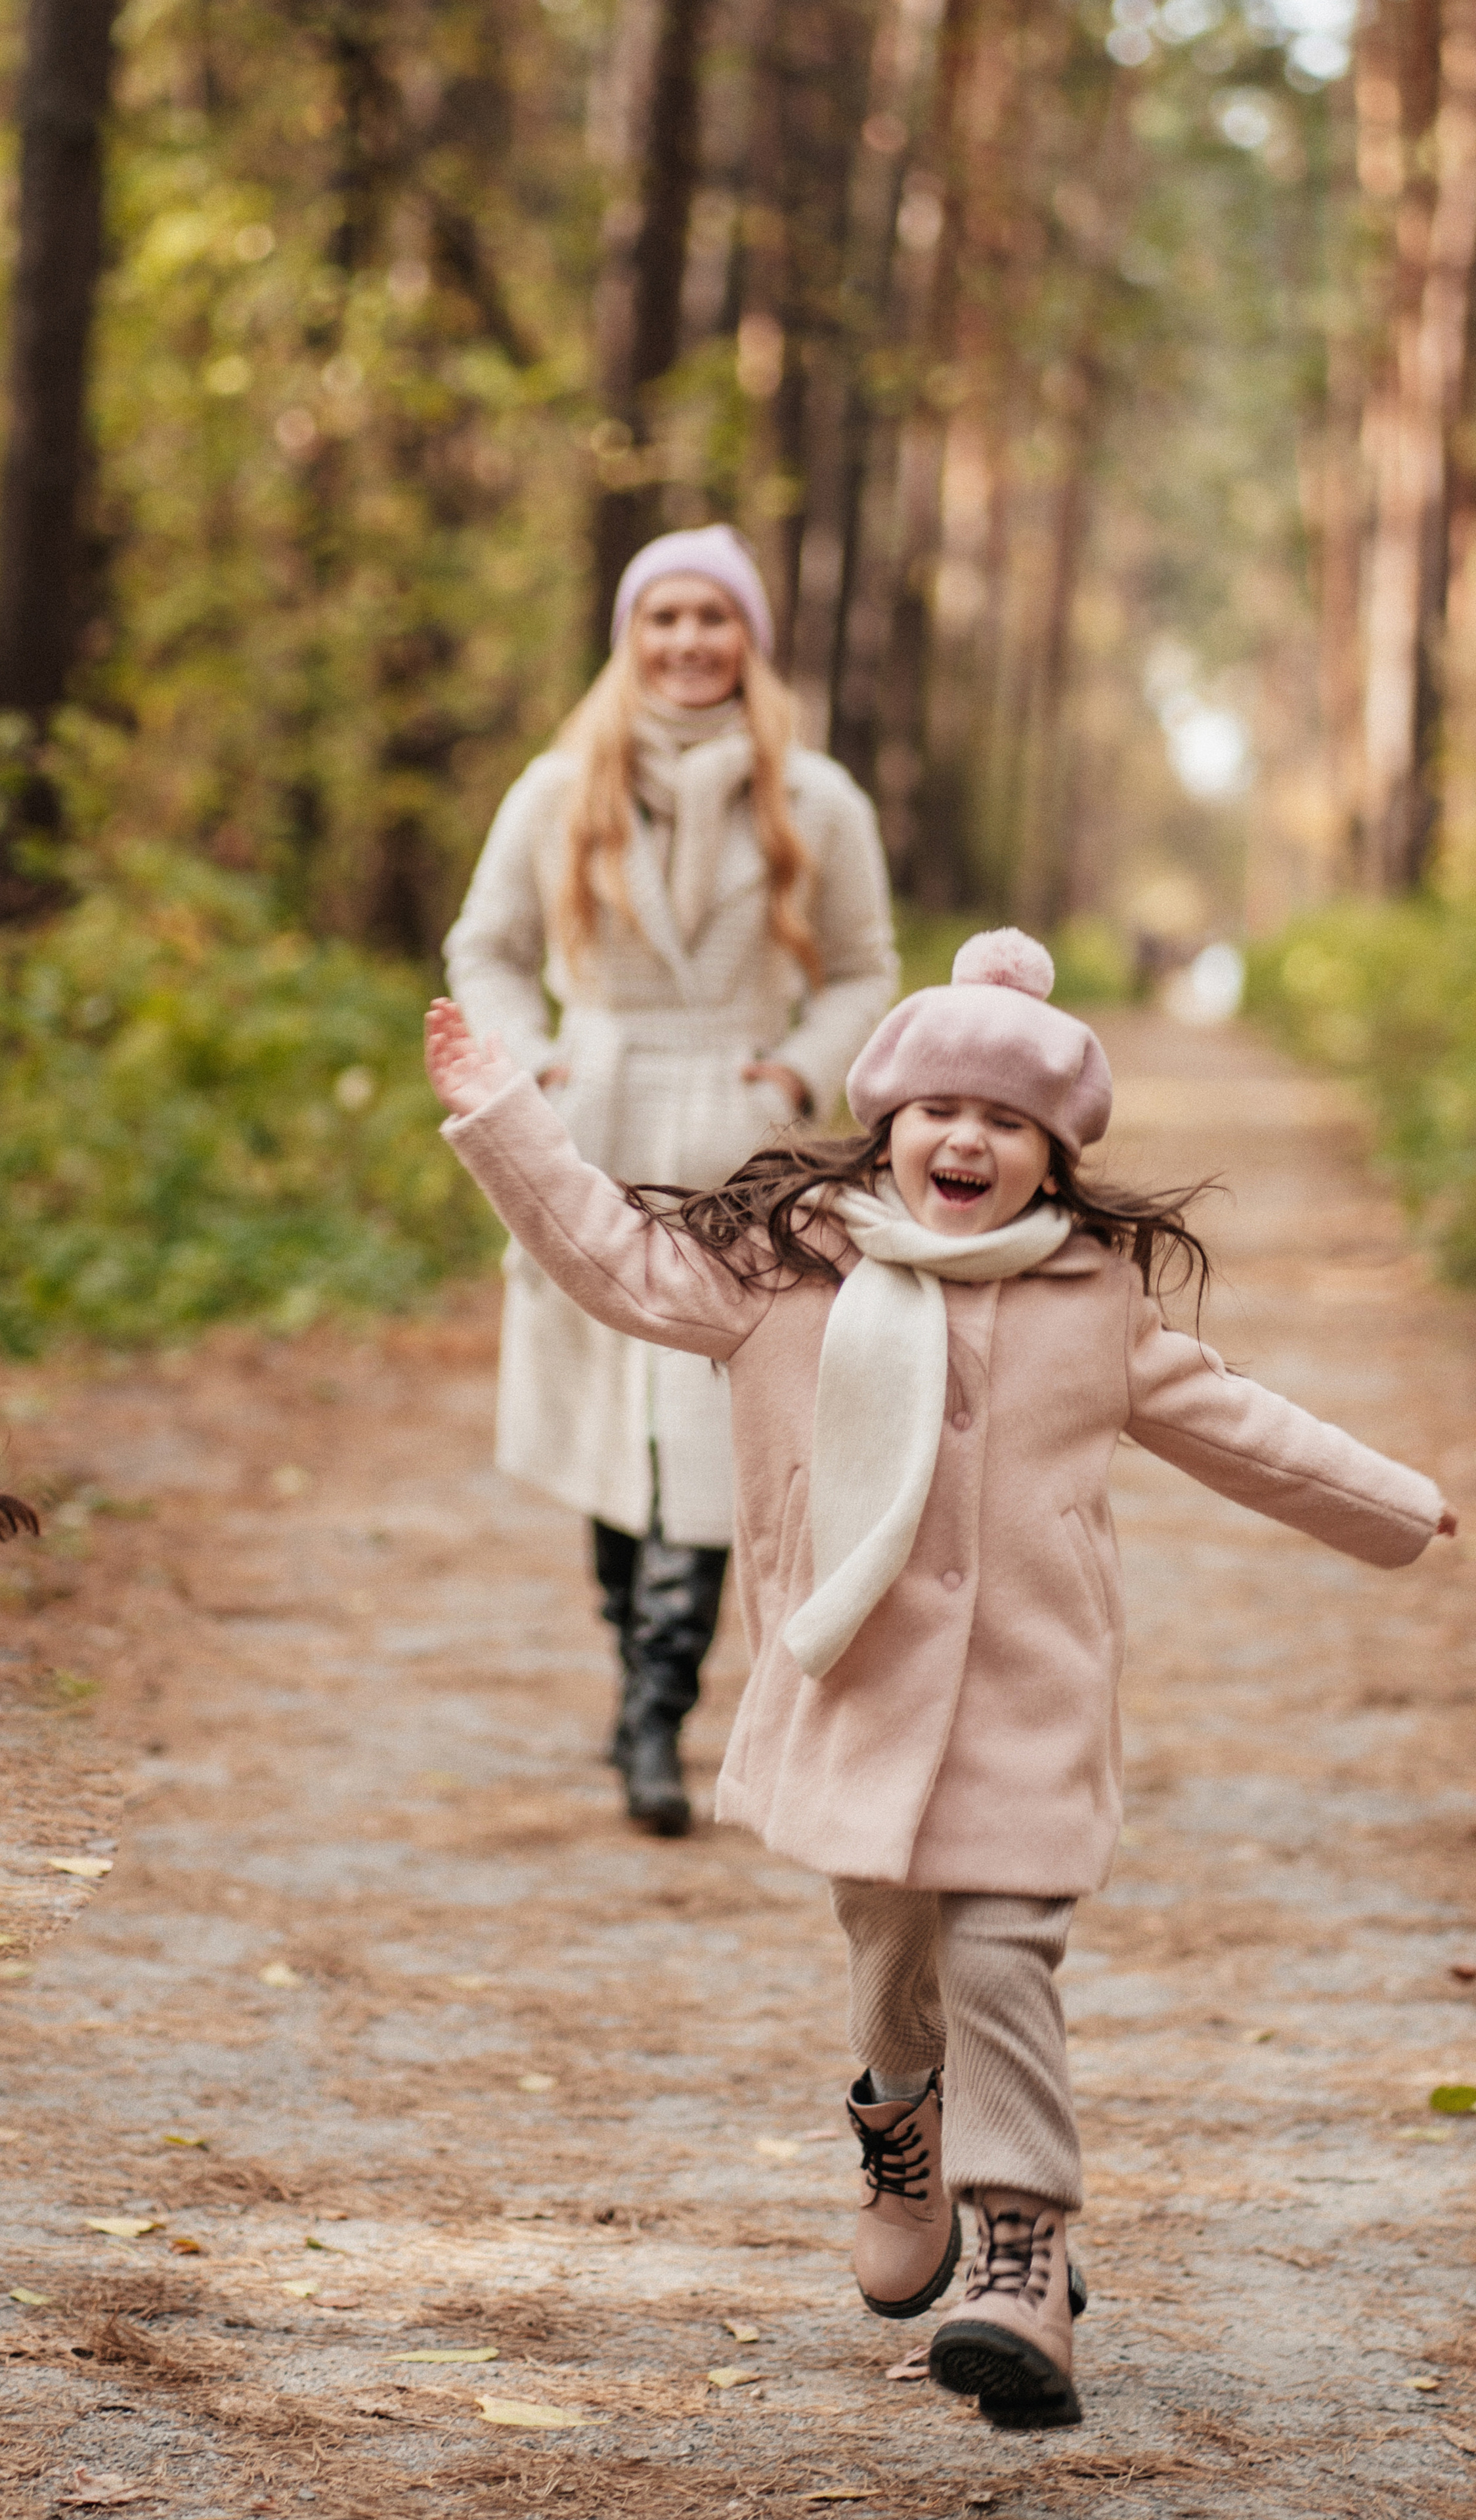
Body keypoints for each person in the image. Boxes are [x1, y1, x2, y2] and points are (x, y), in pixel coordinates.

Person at [423, 928, 1456, 2431]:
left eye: (1008, 1123)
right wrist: (506, 1110)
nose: (966, 1140)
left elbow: (1236, 1423)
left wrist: (1393, 1504)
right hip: (857, 1695)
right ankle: (899, 2125)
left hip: (1030, 1705)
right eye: (939, 1114)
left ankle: (1024, 2258)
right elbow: (613, 1259)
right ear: (889, 1127)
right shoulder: (785, 1272)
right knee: (895, 1966)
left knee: (998, 1953)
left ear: (1052, 1155)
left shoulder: (1088, 1301)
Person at [445, 525, 897, 1836]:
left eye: (713, 617)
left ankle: (657, 1714)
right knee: (607, 1434)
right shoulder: (553, 788)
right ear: (629, 636)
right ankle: (630, 1670)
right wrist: (531, 1064)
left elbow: (865, 967)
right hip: (588, 1124)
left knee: (707, 1432)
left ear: (747, 638)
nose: (688, 641)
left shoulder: (814, 798)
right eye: (664, 618)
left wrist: (793, 1075)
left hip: (743, 1150)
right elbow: (485, 945)